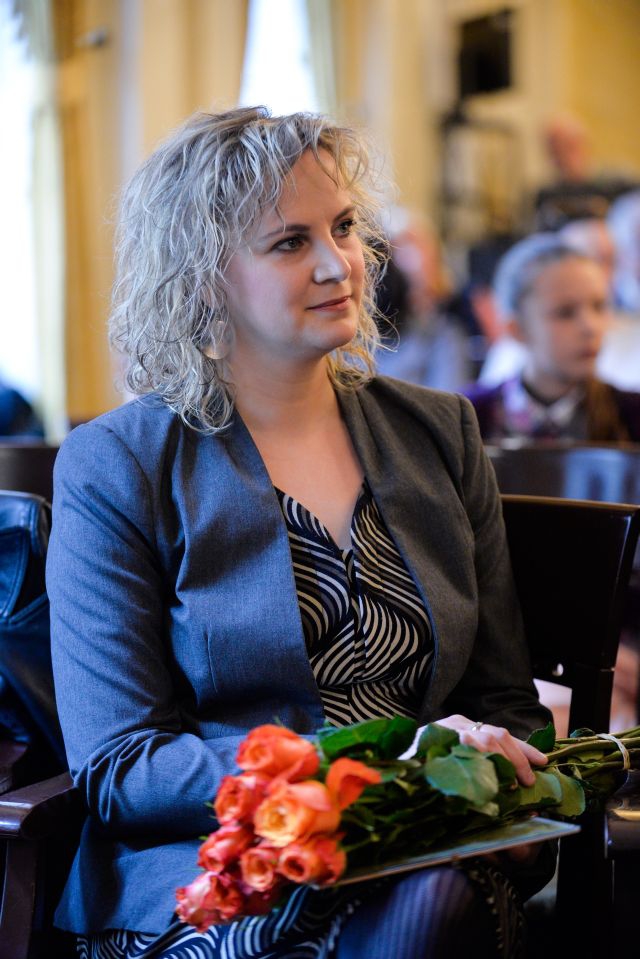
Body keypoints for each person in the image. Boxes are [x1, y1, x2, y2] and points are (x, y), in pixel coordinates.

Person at [48, 107, 554, 959]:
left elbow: (507, 702)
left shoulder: (439, 432)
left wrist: (503, 794)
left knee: (434, 898)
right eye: (290, 242)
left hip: (432, 854)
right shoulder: (118, 464)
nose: (338, 264)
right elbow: (122, 765)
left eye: (345, 227)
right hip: (218, 876)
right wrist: (374, 760)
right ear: (202, 278)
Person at [464, 233, 640, 442]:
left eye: (598, 307)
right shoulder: (468, 419)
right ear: (516, 329)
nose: (590, 327)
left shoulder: (632, 416)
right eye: (565, 312)